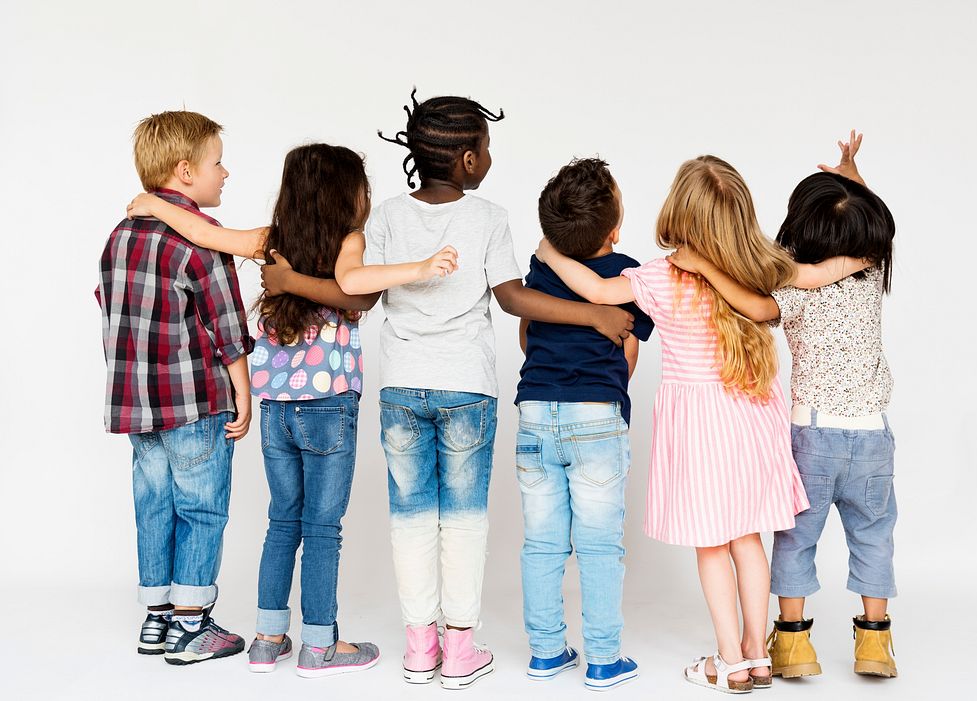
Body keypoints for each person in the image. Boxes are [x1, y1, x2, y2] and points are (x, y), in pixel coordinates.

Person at [261, 90, 634, 690]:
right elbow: (513, 298)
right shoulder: (488, 217)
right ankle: (460, 650)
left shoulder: (384, 215)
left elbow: (357, 295)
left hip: (402, 388)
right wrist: (591, 316)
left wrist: (291, 280)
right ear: (466, 159)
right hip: (467, 389)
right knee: (463, 521)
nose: (488, 157)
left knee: (410, 519)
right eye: (484, 147)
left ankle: (418, 648)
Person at [127, 143, 458, 676]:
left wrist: (156, 204)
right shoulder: (350, 241)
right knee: (322, 527)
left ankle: (266, 639)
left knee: (282, 522)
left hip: (276, 407)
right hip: (329, 406)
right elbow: (353, 289)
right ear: (349, 195)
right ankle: (320, 646)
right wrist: (420, 267)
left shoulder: (272, 242)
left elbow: (207, 235)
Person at [537, 154, 864, 694]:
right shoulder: (757, 266)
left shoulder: (661, 276)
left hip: (698, 422)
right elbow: (819, 273)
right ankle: (759, 656)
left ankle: (729, 659)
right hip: (752, 413)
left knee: (712, 544)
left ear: (679, 212)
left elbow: (595, 293)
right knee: (747, 540)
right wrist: (867, 255)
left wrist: (547, 249)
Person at [670, 132, 899, 679]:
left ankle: (793, 644)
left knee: (796, 540)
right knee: (873, 534)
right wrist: (851, 176)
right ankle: (874, 642)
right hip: (872, 435)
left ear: (798, 227)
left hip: (812, 433)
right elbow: (877, 224)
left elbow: (751, 304)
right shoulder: (868, 270)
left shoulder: (793, 287)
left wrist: (705, 269)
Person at [98, 110, 252, 665]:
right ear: (186, 171)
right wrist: (243, 393)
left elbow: (110, 304)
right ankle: (193, 626)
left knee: (154, 506)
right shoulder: (202, 240)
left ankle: (156, 619)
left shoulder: (120, 235)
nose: (226, 172)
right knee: (202, 508)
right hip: (193, 402)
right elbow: (227, 326)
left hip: (137, 407)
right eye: (217, 162)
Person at [514, 158, 654, 691]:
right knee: (599, 545)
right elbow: (629, 352)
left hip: (534, 410)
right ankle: (603, 659)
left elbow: (528, 335)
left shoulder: (541, 272)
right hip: (595, 414)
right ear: (614, 229)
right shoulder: (627, 271)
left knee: (542, 544)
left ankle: (547, 652)